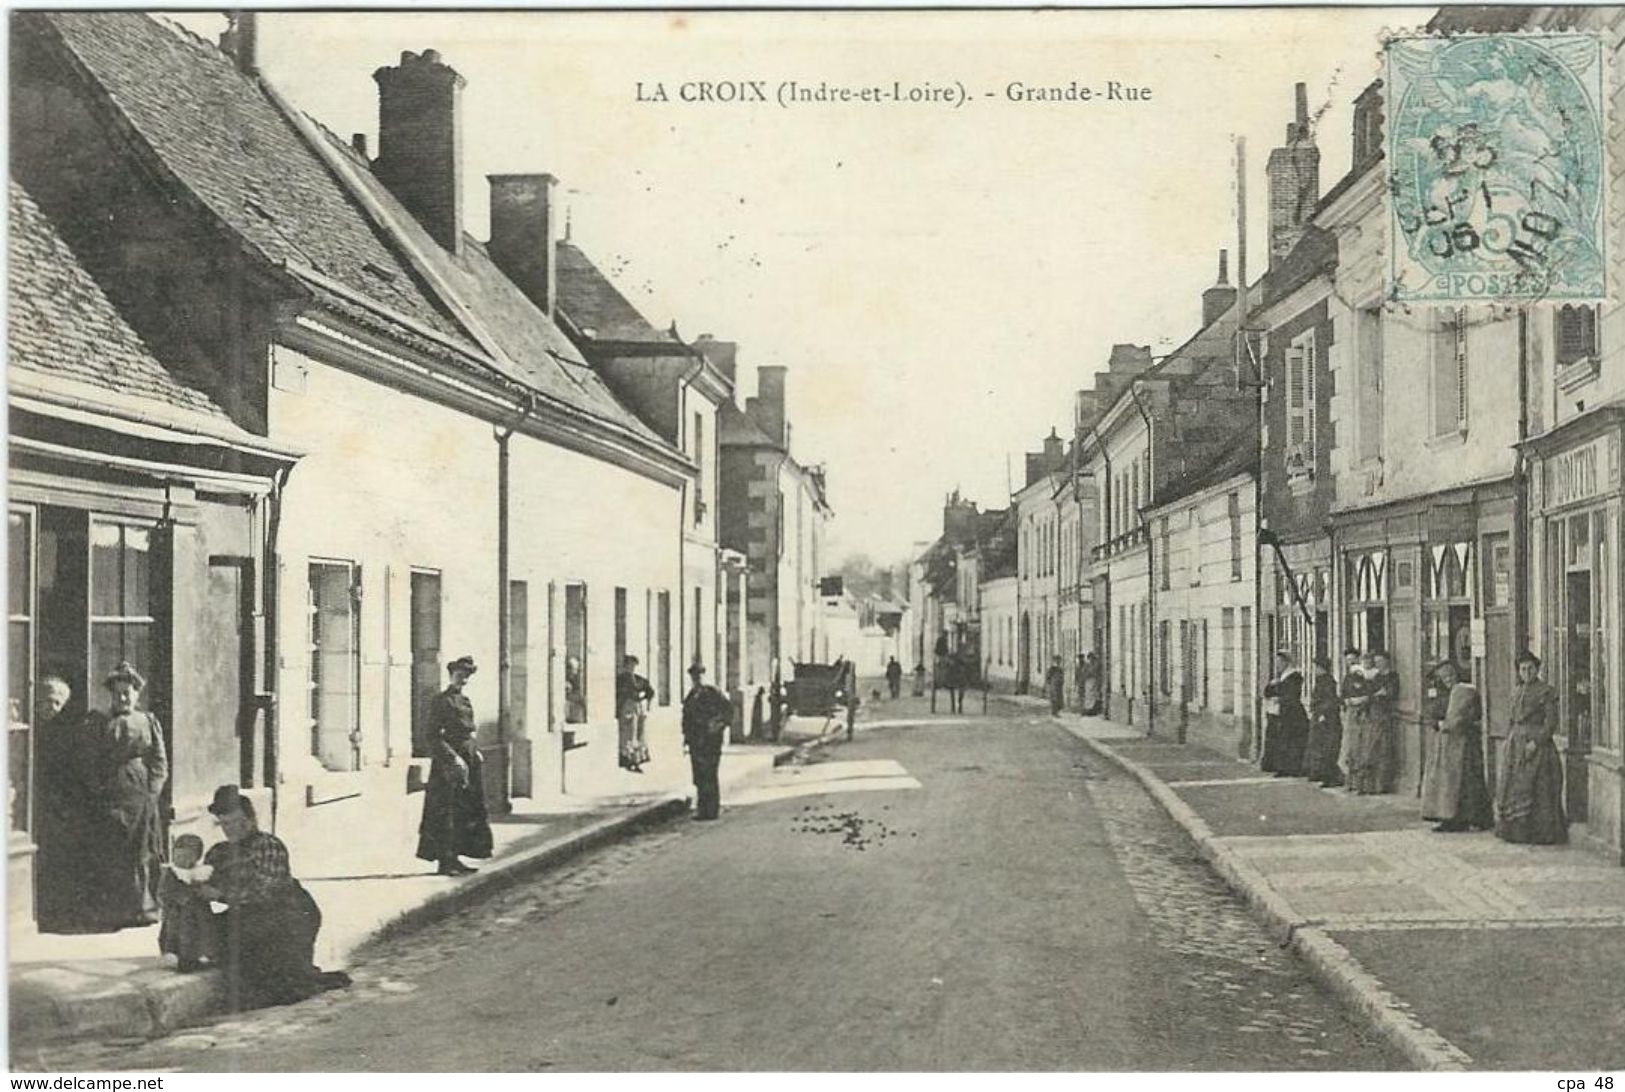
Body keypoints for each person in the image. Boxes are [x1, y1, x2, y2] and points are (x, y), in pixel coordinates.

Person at [199, 786, 348, 1009]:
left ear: (251, 820)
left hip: (288, 914)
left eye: (238, 822)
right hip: (248, 916)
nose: (232, 829)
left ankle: (301, 979)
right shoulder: (219, 852)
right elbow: (204, 882)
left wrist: (220, 894)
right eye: (226, 824)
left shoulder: (267, 845)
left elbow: (264, 890)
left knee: (284, 984)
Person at [82, 661, 167, 930]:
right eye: (118, 693)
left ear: (136, 694)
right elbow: (89, 762)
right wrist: (99, 791)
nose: (122, 697)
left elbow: (159, 762)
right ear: (111, 695)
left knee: (142, 852)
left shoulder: (147, 721)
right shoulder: (99, 723)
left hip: (141, 795)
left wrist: (152, 792)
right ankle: (112, 911)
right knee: (112, 852)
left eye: (127, 692)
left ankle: (144, 909)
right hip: (111, 795)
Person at [415, 655, 493, 876]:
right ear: (451, 676)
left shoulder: (465, 701)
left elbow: (468, 730)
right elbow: (432, 735)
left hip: (467, 759)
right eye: (460, 676)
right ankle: (444, 860)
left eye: (467, 676)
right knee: (446, 811)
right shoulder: (441, 701)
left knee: (464, 810)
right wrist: (453, 759)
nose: (464, 680)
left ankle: (456, 857)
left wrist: (474, 752)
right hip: (448, 764)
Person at [34, 675, 92, 932]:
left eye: (57, 704)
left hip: (56, 805)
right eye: (46, 702)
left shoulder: (65, 734)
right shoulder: (27, 729)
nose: (51, 709)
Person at [1495, 651, 1568, 845]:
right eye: (1523, 669)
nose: (1526, 672)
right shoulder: (1516, 692)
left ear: (1537, 669)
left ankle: (1540, 833)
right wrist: (1508, 741)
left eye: (1530, 669)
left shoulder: (1546, 691)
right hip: (1516, 745)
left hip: (1538, 746)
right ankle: (1517, 832)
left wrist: (1536, 743)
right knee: (1514, 787)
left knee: (1538, 788)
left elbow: (1551, 723)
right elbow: (1512, 720)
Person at [1420, 660, 1492, 832]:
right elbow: (1430, 714)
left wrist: (1447, 724)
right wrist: (1437, 723)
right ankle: (1448, 816)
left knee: (1465, 781)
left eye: (1450, 675)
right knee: (1446, 781)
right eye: (1444, 677)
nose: (1448, 679)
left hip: (1464, 743)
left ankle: (1469, 818)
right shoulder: (1441, 694)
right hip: (1445, 744)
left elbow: (1471, 716)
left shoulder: (1465, 692)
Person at [157, 833, 216, 972]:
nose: (180, 860)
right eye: (177, 856)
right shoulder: (171, 872)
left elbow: (206, 889)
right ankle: (177, 957)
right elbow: (163, 891)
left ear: (196, 858)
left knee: (202, 932)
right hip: (176, 912)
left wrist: (203, 890)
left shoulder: (199, 872)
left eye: (186, 857)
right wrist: (178, 898)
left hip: (198, 912)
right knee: (175, 933)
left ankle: (200, 955)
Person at [682, 664, 732, 821]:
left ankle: (711, 811)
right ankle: (702, 810)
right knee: (699, 777)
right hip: (696, 742)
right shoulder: (691, 696)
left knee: (709, 774)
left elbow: (728, 712)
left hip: (711, 742)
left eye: (699, 676)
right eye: (694, 677)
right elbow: (686, 720)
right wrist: (686, 739)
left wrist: (717, 726)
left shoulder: (713, 693)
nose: (697, 679)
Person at [1349, 652, 1399, 794]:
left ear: (1387, 661)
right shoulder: (1376, 677)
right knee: (1368, 750)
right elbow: (1370, 694)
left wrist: (1375, 695)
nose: (1378, 664)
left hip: (1384, 715)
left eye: (1381, 661)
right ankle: (1366, 786)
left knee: (1381, 751)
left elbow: (1389, 693)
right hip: (1371, 715)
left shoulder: (1392, 677)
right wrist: (1373, 696)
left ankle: (1379, 785)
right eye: (1376, 661)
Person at [1260, 652, 1308, 777]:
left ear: (1286, 663)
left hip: (1292, 713)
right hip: (1281, 713)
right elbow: (1267, 693)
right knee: (1281, 740)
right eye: (1276, 663)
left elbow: (1291, 695)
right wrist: (1272, 685)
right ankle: (1281, 767)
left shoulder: (1294, 677)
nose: (1277, 666)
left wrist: (1279, 697)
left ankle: (1291, 768)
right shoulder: (1280, 678)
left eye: (1279, 663)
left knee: (1291, 741)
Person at [1302, 656, 1344, 787]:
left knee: (1327, 747)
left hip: (1327, 720)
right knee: (1318, 746)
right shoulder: (1321, 681)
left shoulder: (1329, 682)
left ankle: (1330, 776)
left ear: (1322, 668)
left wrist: (1323, 714)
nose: (1315, 670)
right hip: (1320, 717)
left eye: (1316, 667)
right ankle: (1319, 772)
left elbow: (1330, 701)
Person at [615, 655, 655, 773]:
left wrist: (644, 699)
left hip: (638, 707)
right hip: (626, 708)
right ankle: (627, 759)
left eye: (633, 665)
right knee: (628, 733)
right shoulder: (621, 679)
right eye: (629, 665)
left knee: (639, 733)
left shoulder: (640, 679)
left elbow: (650, 692)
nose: (631, 668)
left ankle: (637, 760)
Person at [1336, 649, 1366, 787]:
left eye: (1353, 660)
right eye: (1348, 661)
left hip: (1362, 714)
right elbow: (1343, 694)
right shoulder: (1348, 677)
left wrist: (1359, 700)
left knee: (1359, 745)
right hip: (1349, 713)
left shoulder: (1364, 676)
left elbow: (1367, 692)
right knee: (1348, 745)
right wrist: (1345, 701)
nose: (1351, 663)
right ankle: (1349, 779)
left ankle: (1359, 780)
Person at [1081, 651, 1102, 716]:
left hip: (1094, 681)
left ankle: (1092, 710)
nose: (1091, 659)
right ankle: (1087, 709)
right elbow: (1084, 673)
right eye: (1090, 658)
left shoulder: (1095, 665)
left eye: (1092, 658)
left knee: (1093, 695)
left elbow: (1097, 673)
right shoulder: (1087, 665)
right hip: (1088, 681)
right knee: (1088, 695)